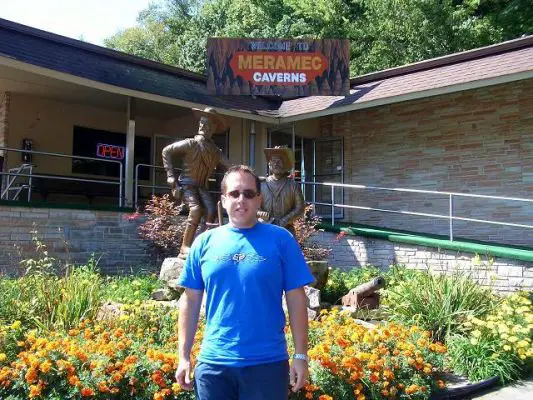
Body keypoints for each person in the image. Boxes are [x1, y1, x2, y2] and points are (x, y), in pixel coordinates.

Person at [175, 165, 314, 400]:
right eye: (234, 193)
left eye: (249, 193)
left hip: (267, 364)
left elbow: (297, 299)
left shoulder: (281, 240)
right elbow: (190, 300)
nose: (242, 199)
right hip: (214, 365)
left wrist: (301, 356)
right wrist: (183, 356)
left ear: (259, 199)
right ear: (223, 199)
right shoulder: (204, 243)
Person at [162, 107, 231, 257]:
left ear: (214, 128)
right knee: (195, 210)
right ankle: (185, 247)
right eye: (201, 123)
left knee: (211, 211)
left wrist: (248, 174)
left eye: (207, 124)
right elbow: (166, 151)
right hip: (187, 185)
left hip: (202, 187)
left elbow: (230, 167)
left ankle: (201, 244)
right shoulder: (190, 144)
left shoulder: (215, 151)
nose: (203, 126)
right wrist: (170, 176)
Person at [259, 146, 305, 235]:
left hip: (286, 230)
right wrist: (260, 213)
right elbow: (254, 205)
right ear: (269, 164)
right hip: (264, 228)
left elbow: (300, 208)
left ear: (285, 164)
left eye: (279, 161)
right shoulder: (261, 185)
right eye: (273, 161)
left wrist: (284, 220)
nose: (276, 164)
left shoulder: (293, 185)